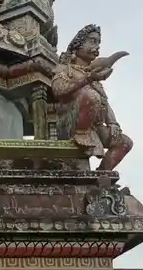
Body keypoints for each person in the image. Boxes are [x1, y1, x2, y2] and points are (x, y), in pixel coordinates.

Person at [51, 24, 133, 171]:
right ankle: (82, 135)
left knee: (125, 142)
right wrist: (87, 79)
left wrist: (113, 123)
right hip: (70, 124)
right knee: (90, 95)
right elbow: (58, 90)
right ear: (77, 46)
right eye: (92, 41)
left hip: (95, 127)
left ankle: (101, 175)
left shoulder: (94, 78)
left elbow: (104, 103)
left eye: (98, 43)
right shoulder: (65, 69)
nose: (97, 47)